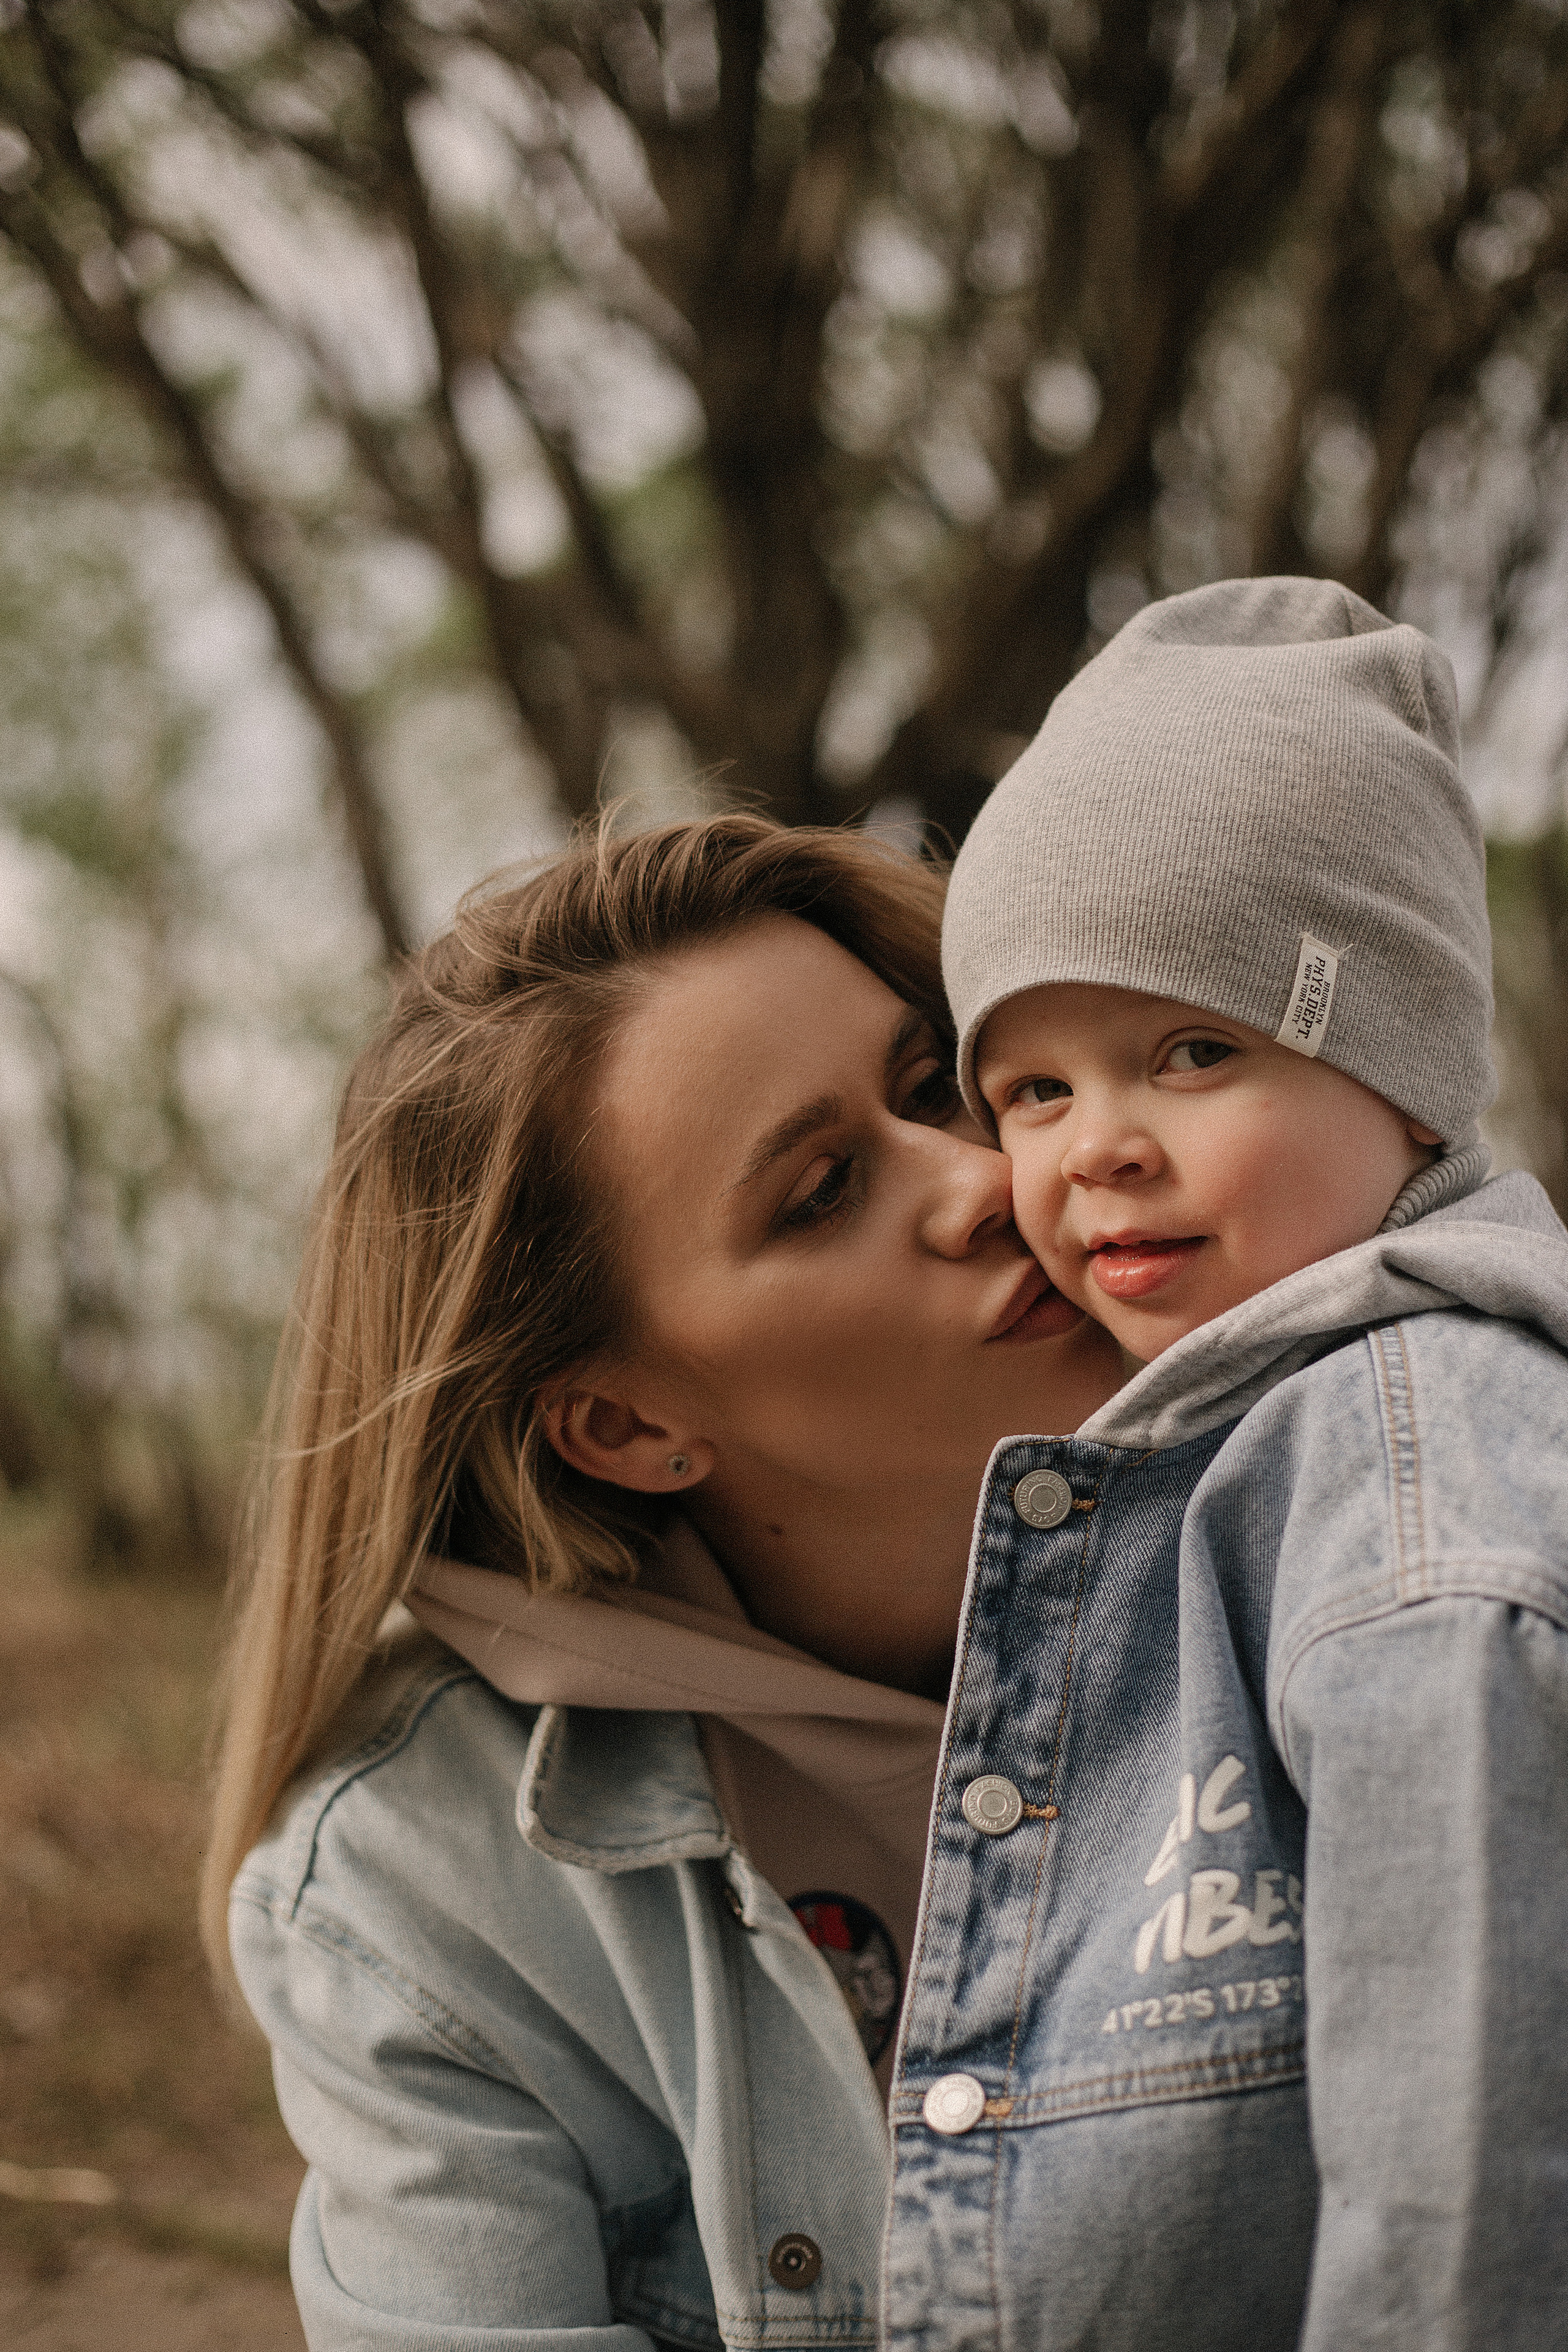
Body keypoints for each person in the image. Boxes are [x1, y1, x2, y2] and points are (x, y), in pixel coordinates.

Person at [205, 816, 1124, 2351]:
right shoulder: (415, 1887)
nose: (978, 1177)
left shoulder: (1368, 1558)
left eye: (929, 1086)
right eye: (822, 1189)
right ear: (629, 1427)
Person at [886, 577, 1568, 2351]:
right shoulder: (1247, 1436)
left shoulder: (1419, 1484)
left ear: (1405, 1074)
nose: (1097, 1147)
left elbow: (1471, 2174)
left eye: (1193, 1051)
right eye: (1029, 1088)